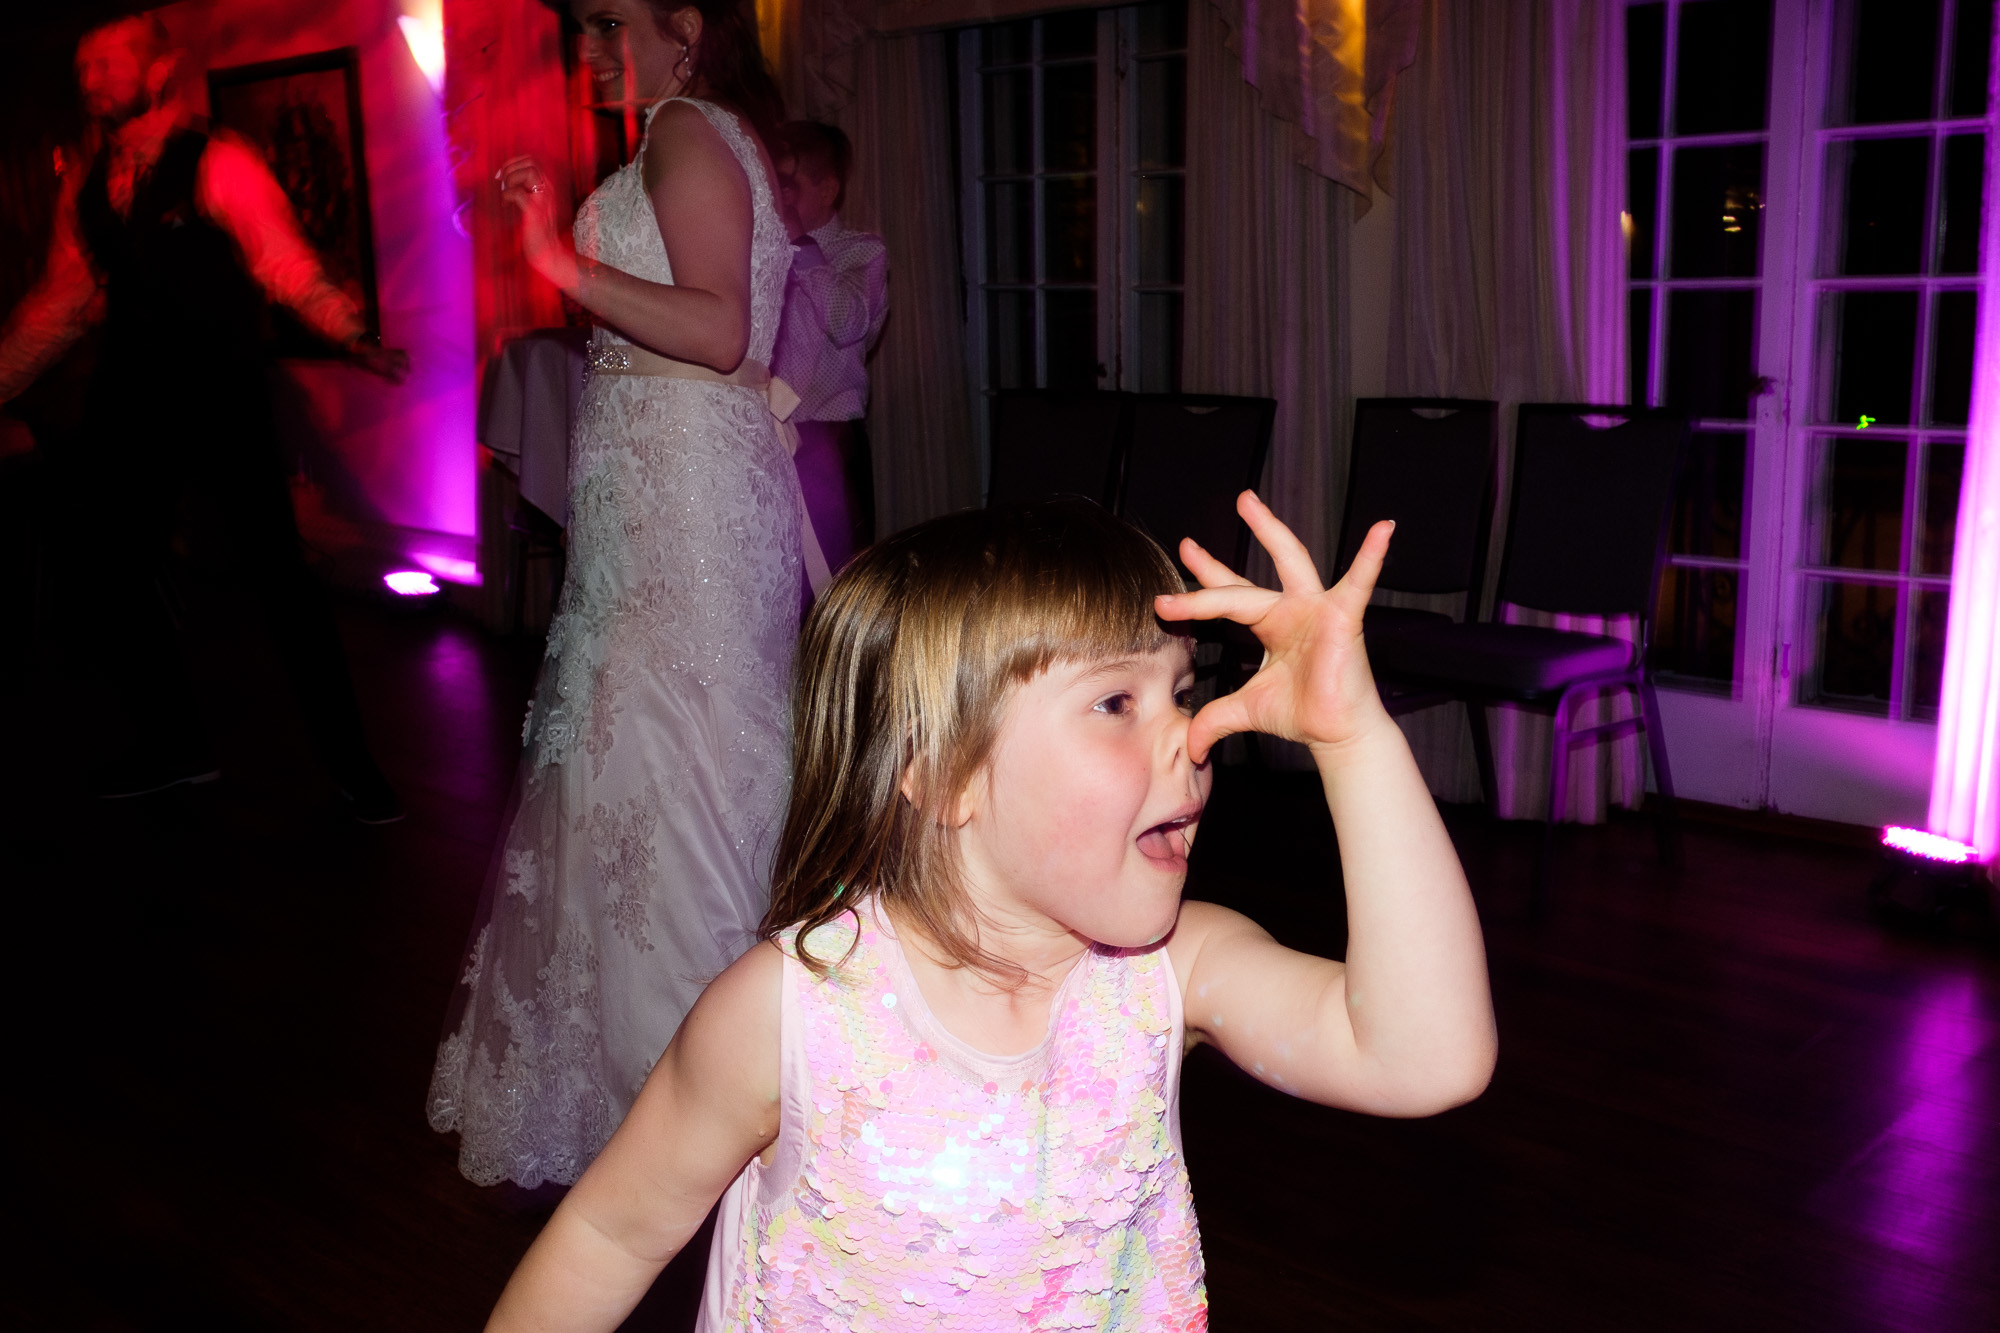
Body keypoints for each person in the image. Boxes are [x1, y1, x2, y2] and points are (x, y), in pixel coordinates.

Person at [481, 493, 1499, 1330]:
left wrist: (1352, 735)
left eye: (1179, 692)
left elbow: (1425, 1057)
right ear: (945, 772)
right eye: (1116, 703)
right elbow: (609, 1237)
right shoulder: (792, 1013)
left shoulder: (1171, 969)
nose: (1187, 737)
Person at [426, 0, 805, 1189]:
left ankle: (707, 1107)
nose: (584, 46)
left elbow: (719, 328)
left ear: (681, 24)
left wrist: (557, 262)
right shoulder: (682, 133)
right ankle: (648, 1096)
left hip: (685, 497)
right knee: (633, 765)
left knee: (676, 774)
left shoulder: (689, 126)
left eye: (604, 20)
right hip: (660, 491)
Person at [0, 15, 410, 818]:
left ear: (158, 71)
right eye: (82, 66)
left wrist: (348, 330)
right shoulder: (85, 184)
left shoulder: (218, 160)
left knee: (279, 580)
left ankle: (353, 764)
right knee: (109, 566)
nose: (89, 81)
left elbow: (283, 261)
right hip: (132, 397)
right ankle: (176, 744)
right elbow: (56, 306)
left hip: (219, 394)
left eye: (106, 64)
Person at [771, 120, 887, 576]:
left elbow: (845, 323)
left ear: (827, 189)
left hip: (828, 437)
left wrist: (801, 245)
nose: (778, 196)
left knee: (838, 579)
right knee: (781, 578)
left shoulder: (861, 252)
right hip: (769, 434)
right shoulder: (758, 252)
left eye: (788, 185)